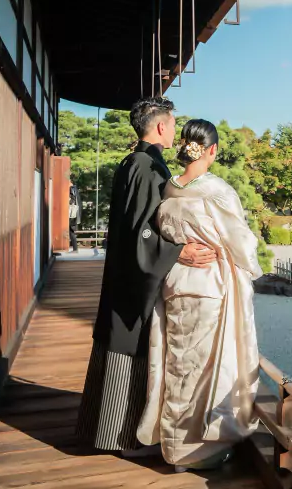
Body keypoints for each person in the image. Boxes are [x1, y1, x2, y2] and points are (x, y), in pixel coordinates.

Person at [76, 97, 216, 455]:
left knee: (123, 345)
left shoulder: (135, 161)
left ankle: (110, 431)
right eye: (172, 123)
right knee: (130, 347)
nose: (175, 131)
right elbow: (143, 230)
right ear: (159, 127)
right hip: (132, 277)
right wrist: (178, 251)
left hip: (125, 272)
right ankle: (120, 435)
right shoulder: (146, 166)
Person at [137, 119, 263, 472]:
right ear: (212, 150)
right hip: (209, 285)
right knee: (208, 369)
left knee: (179, 364)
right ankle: (198, 450)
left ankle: (173, 446)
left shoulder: (170, 189)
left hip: (176, 282)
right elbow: (242, 242)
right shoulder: (217, 190)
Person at [68, 182, 80, 252]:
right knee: (71, 232)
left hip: (71, 215)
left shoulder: (72, 190)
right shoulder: (74, 189)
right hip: (72, 215)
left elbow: (71, 201)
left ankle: (75, 249)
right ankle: (75, 248)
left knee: (71, 232)